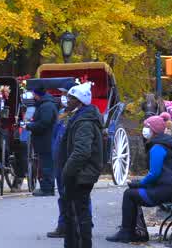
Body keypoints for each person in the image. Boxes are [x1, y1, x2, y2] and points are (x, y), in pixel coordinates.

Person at [107, 115, 172, 243]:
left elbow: (154, 174)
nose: (144, 130)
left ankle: (127, 233)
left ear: (154, 130)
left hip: (163, 190)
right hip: (169, 188)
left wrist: (139, 183)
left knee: (129, 195)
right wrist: (139, 184)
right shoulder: (166, 143)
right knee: (132, 193)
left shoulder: (157, 147)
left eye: (147, 127)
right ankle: (134, 232)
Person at [58, 82, 105, 248]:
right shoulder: (81, 117)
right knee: (76, 214)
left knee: (78, 215)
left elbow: (81, 152)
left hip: (79, 175)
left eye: (71, 98)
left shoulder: (84, 121)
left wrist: (66, 172)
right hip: (80, 173)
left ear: (79, 101)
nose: (67, 100)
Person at [28, 85, 58, 196]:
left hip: (46, 140)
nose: (33, 96)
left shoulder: (46, 106)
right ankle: (46, 187)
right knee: (46, 164)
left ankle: (47, 188)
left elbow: (44, 123)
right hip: (46, 139)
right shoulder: (46, 105)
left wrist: (30, 126)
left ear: (37, 94)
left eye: (34, 94)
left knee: (46, 164)